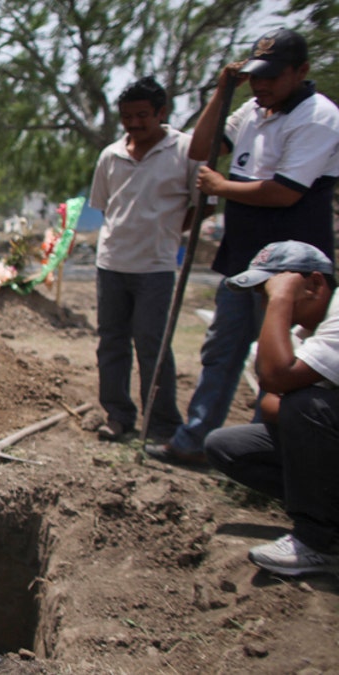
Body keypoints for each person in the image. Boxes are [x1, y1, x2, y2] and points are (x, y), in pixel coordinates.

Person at [147, 27, 339, 465]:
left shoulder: (318, 117)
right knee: (222, 349)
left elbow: (286, 191)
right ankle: (194, 439)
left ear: (301, 71)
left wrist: (221, 186)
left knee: (278, 359)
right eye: (255, 76)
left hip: (292, 268)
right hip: (243, 257)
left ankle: (263, 451)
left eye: (272, 76)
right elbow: (200, 147)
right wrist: (221, 93)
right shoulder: (250, 111)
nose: (262, 85)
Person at [203, 240, 339, 576]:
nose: (264, 304)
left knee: (306, 404)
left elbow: (281, 383)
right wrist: (290, 391)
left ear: (315, 284)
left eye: (270, 291)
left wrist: (281, 300)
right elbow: (270, 403)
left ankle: (320, 542)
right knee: (226, 446)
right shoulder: (298, 334)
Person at [88, 76, 199, 442]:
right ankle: (118, 415)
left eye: (142, 116)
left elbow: (199, 209)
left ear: (162, 113)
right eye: (127, 117)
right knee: (111, 343)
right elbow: (106, 206)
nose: (134, 124)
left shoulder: (186, 150)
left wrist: (164, 236)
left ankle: (162, 423)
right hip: (112, 264)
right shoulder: (111, 155)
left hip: (156, 267)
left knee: (153, 345)